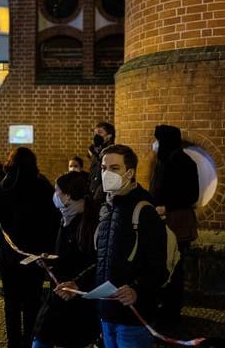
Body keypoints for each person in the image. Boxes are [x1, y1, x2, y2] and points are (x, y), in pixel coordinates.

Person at [59, 144, 168, 348]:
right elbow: (100, 260)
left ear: (130, 172)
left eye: (115, 168)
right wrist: (78, 284)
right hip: (106, 313)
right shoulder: (105, 209)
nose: (107, 173)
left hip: (133, 318)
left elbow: (158, 268)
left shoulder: (145, 211)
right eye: (103, 168)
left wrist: (137, 290)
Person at [0, 147, 59, 347]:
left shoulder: (0, 190)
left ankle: (13, 343)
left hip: (9, 256)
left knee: (11, 303)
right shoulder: (43, 187)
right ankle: (29, 339)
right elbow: (54, 221)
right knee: (32, 302)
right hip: (36, 257)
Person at [32, 171, 100, 348]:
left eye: (57, 191)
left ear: (68, 196)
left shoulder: (89, 223)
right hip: (59, 291)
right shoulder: (66, 217)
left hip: (77, 299)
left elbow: (96, 261)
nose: (54, 196)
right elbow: (66, 255)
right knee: (41, 338)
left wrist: (78, 284)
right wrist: (51, 261)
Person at [149, 124, 199, 324]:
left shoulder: (182, 162)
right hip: (165, 222)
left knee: (174, 268)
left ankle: (171, 311)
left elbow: (190, 194)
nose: (155, 144)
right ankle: (165, 307)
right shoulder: (164, 161)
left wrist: (166, 206)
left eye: (158, 140)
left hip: (176, 224)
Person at [88, 122, 115, 203]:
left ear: (109, 136)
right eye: (95, 133)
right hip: (92, 194)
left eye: (100, 132)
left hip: (102, 197)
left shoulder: (112, 152)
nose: (96, 135)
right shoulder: (94, 152)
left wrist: (99, 193)